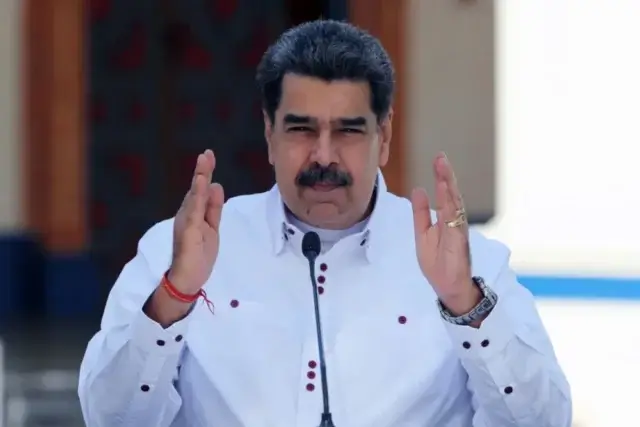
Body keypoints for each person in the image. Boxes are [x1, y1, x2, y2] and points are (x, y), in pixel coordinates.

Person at [78, 20, 572, 427]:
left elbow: (545, 421)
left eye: (349, 131)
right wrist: (175, 296)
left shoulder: (470, 263)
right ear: (269, 133)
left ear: (384, 136)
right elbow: (108, 418)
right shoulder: (179, 251)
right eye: (301, 129)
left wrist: (466, 307)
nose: (323, 156)